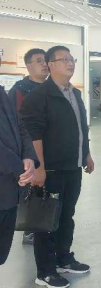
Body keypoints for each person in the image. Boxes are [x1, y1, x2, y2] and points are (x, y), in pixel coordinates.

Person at [20, 45, 95, 288]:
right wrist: (39, 168)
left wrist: (86, 154)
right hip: (50, 170)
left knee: (66, 216)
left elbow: (81, 127)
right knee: (46, 221)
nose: (70, 63)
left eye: (71, 59)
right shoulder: (39, 96)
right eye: (64, 59)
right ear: (50, 65)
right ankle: (45, 272)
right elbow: (33, 135)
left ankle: (63, 258)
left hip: (73, 167)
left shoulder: (75, 93)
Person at [0, 84, 38, 288]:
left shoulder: (2, 94)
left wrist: (29, 158)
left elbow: (20, 127)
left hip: (9, 191)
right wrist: (19, 169)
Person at [8, 47, 49, 246]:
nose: (44, 64)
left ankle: (49, 223)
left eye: (45, 60)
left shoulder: (54, 88)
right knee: (33, 190)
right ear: (28, 65)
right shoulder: (19, 90)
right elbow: (14, 125)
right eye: (39, 60)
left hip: (53, 149)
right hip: (29, 151)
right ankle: (30, 228)